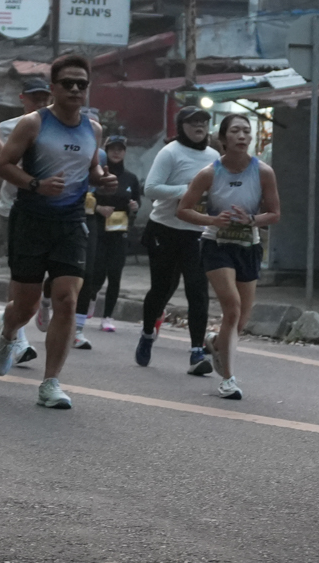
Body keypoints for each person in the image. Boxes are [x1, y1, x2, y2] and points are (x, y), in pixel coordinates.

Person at [0, 53, 115, 409]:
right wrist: (36, 184)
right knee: (26, 304)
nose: (75, 89)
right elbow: (3, 165)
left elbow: (91, 170)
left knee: (67, 299)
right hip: (31, 221)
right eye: (67, 83)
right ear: (54, 87)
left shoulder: (93, 129)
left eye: (81, 84)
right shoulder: (33, 124)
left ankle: (50, 382)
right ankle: (9, 330)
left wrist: (102, 179)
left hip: (71, 223)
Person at [176, 114, 280, 401]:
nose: (242, 136)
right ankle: (228, 380)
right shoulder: (209, 173)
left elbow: (275, 213)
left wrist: (252, 220)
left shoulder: (263, 172)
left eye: (246, 131)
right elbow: (183, 210)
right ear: (223, 138)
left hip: (248, 246)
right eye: (235, 131)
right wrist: (212, 220)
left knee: (241, 319)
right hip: (216, 245)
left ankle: (215, 342)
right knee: (231, 308)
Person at [137, 106, 221, 372]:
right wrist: (187, 190)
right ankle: (147, 333)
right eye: (193, 122)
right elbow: (151, 188)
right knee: (162, 288)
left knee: (197, 290)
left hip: (197, 232)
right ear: (181, 126)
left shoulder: (214, 156)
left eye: (203, 122)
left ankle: (196, 353)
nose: (199, 126)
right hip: (165, 229)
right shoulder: (170, 152)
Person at [0, 76, 56, 365]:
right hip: (15, 208)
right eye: (34, 96)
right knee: (20, 276)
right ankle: (17, 337)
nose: (40, 101)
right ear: (23, 99)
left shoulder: (61, 128)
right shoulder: (7, 128)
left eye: (44, 96)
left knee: (53, 273)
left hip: (55, 211)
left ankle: (43, 301)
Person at [75, 136, 141, 344]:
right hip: (97, 229)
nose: (116, 152)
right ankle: (91, 297)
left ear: (125, 152)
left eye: (120, 149)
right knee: (95, 272)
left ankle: (108, 317)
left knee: (115, 273)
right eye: (112, 149)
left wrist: (134, 207)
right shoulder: (97, 175)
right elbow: (84, 198)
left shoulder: (130, 178)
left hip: (119, 231)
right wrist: (99, 208)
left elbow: (136, 202)